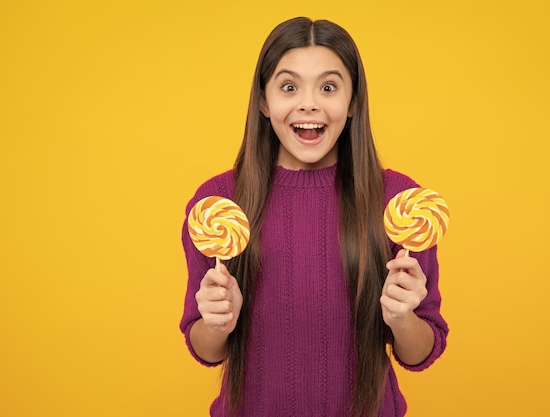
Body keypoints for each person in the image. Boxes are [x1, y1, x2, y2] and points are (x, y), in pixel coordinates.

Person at [180, 17, 448, 417]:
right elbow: (205, 349)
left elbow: (420, 352)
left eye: (328, 87)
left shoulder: (399, 203)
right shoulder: (219, 204)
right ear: (264, 101)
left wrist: (403, 317)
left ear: (353, 100)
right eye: (289, 87)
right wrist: (217, 322)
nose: (309, 103)